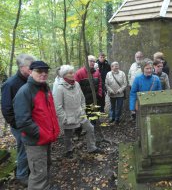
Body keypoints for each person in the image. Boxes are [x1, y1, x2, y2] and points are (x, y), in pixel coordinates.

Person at [13, 61, 60, 190]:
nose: (43, 74)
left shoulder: (45, 87)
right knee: (38, 174)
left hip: (46, 137)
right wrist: (42, 133)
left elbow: (49, 113)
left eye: (46, 71)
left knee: (45, 167)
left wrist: (52, 131)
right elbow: (23, 121)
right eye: (39, 71)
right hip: (36, 141)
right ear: (31, 72)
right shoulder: (25, 91)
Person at [1, 54, 36, 187]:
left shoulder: (31, 80)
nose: (33, 70)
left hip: (32, 122)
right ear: (22, 67)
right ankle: (22, 175)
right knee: (23, 148)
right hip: (19, 126)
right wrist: (18, 125)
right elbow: (6, 109)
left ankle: (30, 170)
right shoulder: (9, 84)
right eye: (30, 67)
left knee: (31, 147)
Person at [54, 65, 102, 158]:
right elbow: (58, 106)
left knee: (90, 128)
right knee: (68, 135)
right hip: (68, 117)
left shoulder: (76, 84)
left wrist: (83, 109)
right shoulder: (59, 88)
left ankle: (91, 147)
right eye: (70, 73)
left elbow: (82, 98)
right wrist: (64, 119)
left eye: (73, 72)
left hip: (80, 114)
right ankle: (69, 150)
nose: (73, 74)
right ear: (64, 75)